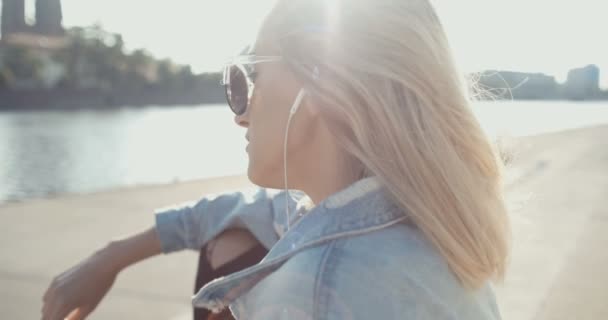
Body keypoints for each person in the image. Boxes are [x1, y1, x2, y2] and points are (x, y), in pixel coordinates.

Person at [42, 0, 511, 319]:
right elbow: (254, 209)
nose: (240, 117)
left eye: (248, 79)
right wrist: (110, 258)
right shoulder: (422, 224)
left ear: (318, 89)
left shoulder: (315, 289)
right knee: (230, 238)